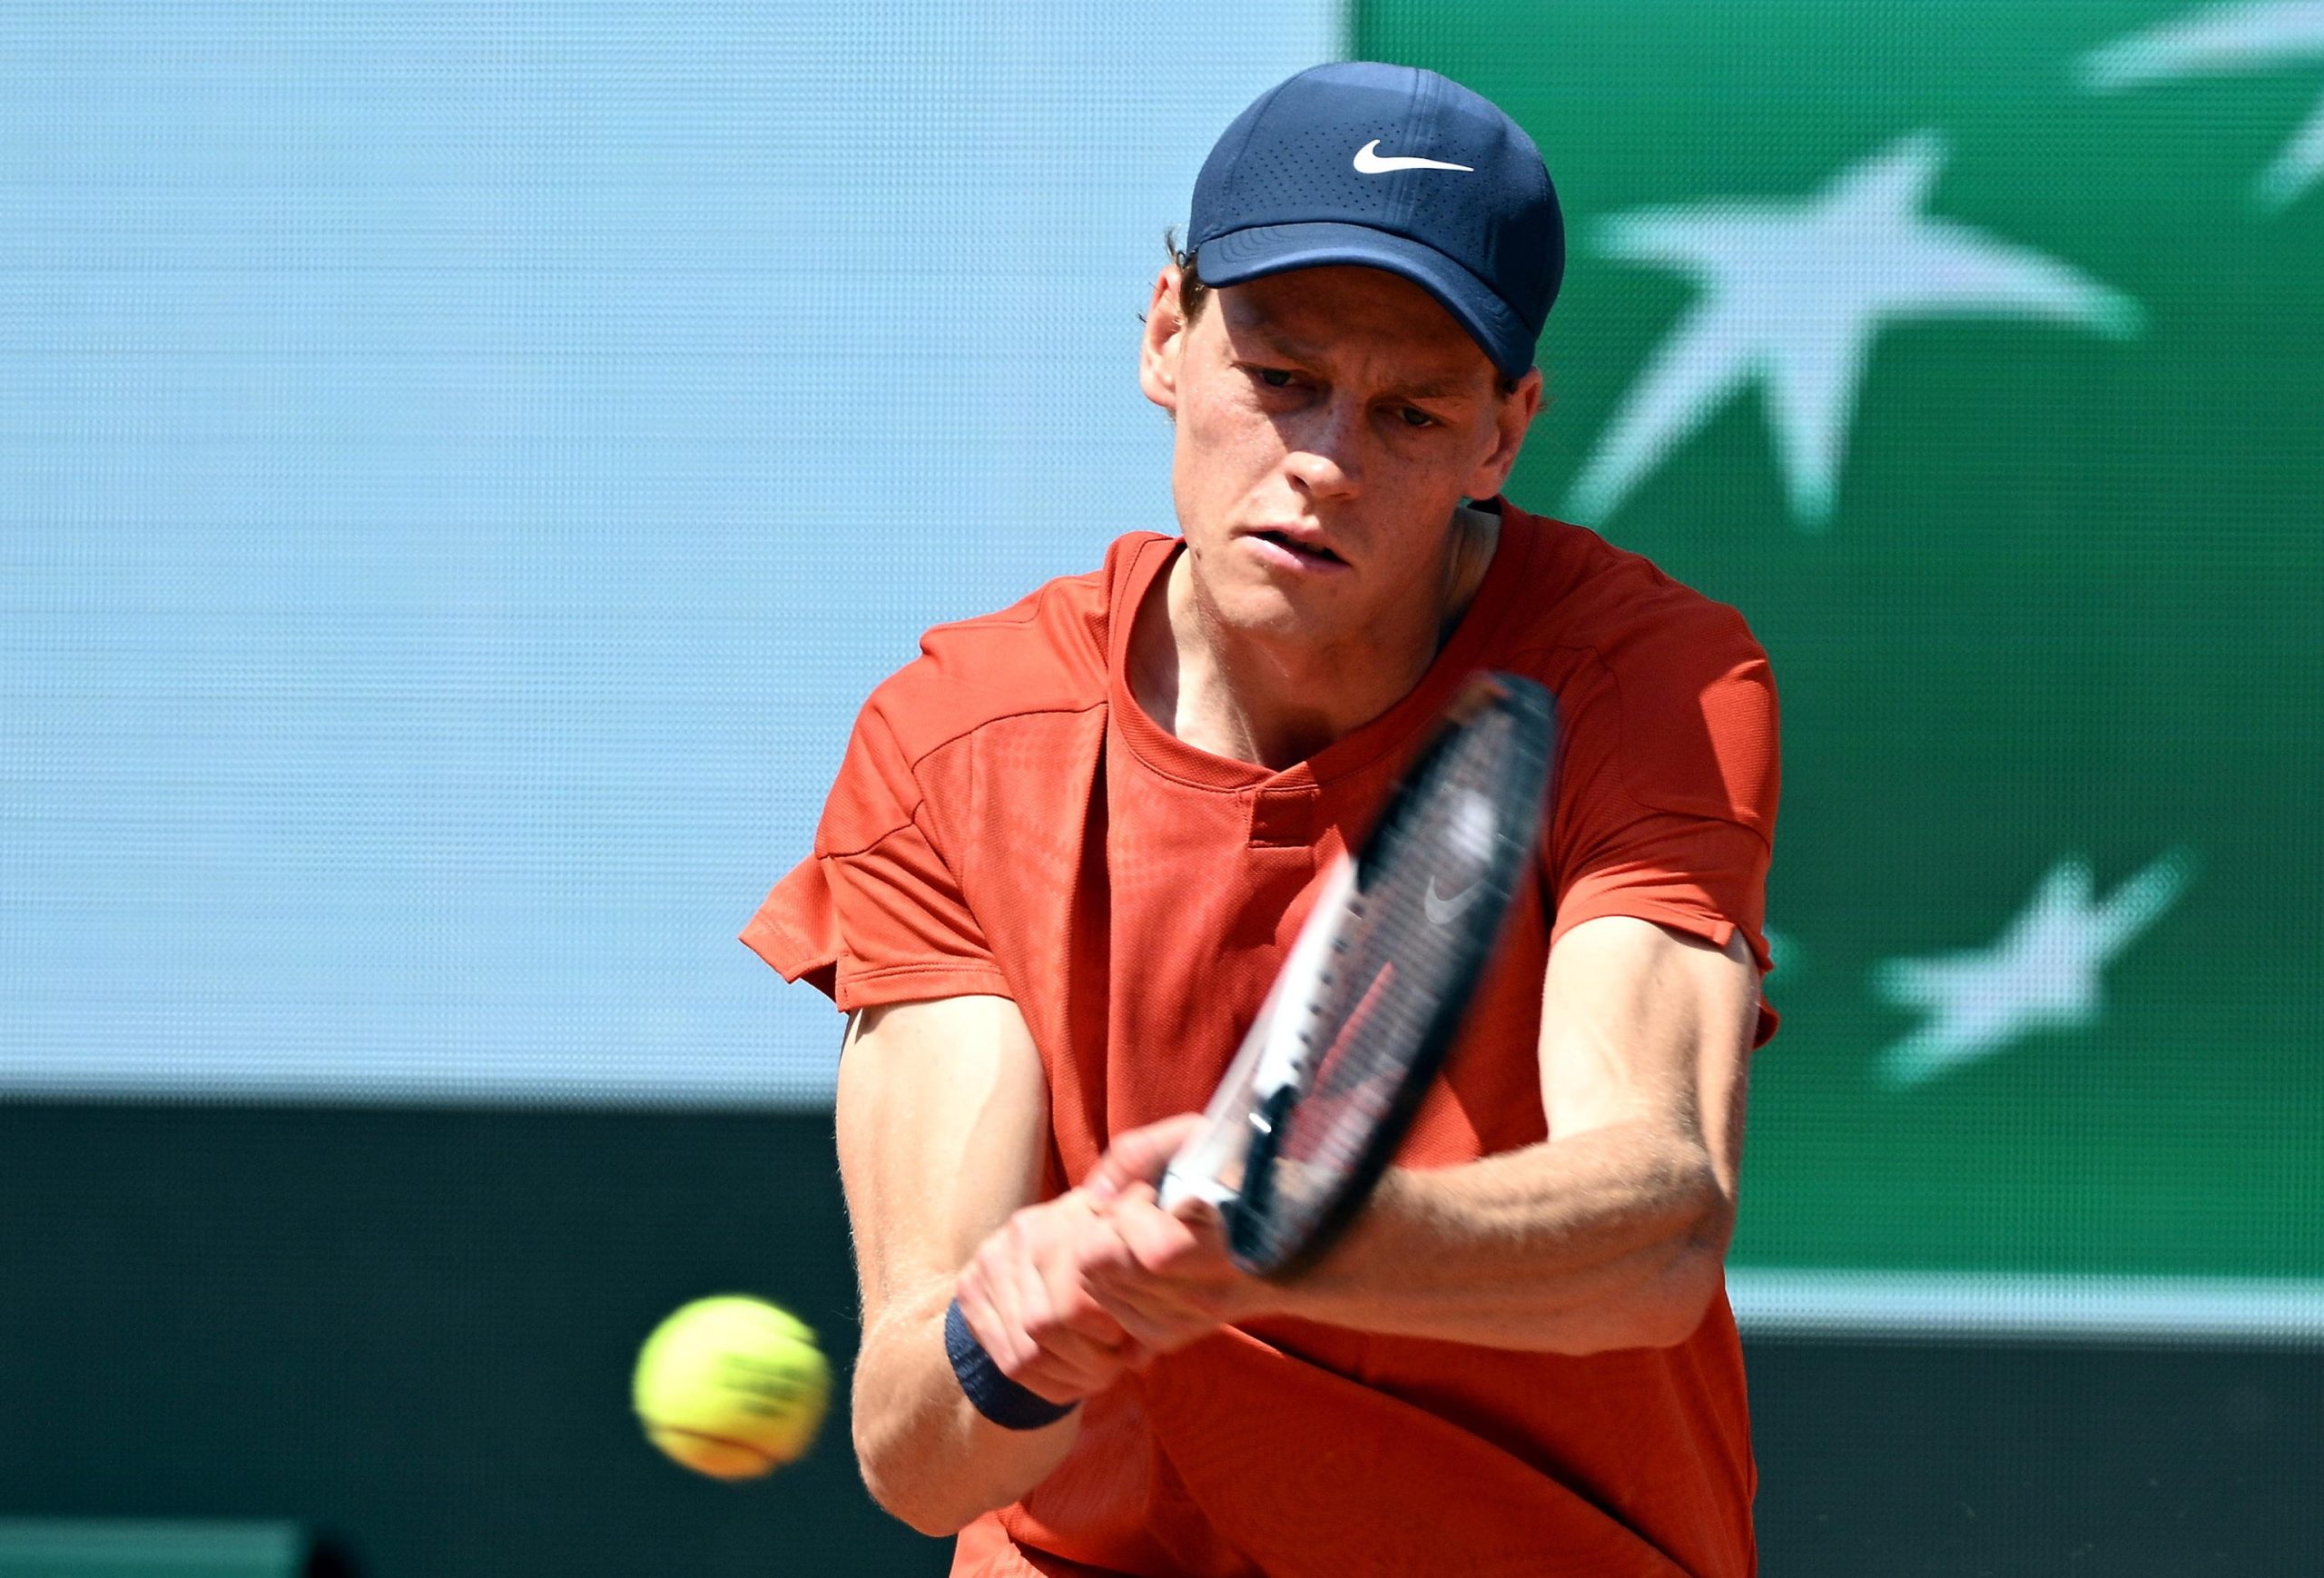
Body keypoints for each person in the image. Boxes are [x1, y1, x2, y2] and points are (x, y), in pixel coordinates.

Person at [743, 60, 1778, 1578]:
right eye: (1281, 376)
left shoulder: (1646, 682)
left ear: (1504, 434)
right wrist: (1020, 1333)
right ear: (1168, 332)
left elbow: (1659, 1227)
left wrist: (1279, 1237)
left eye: (1410, 411)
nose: (1325, 461)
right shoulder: (956, 746)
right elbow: (916, 1453)